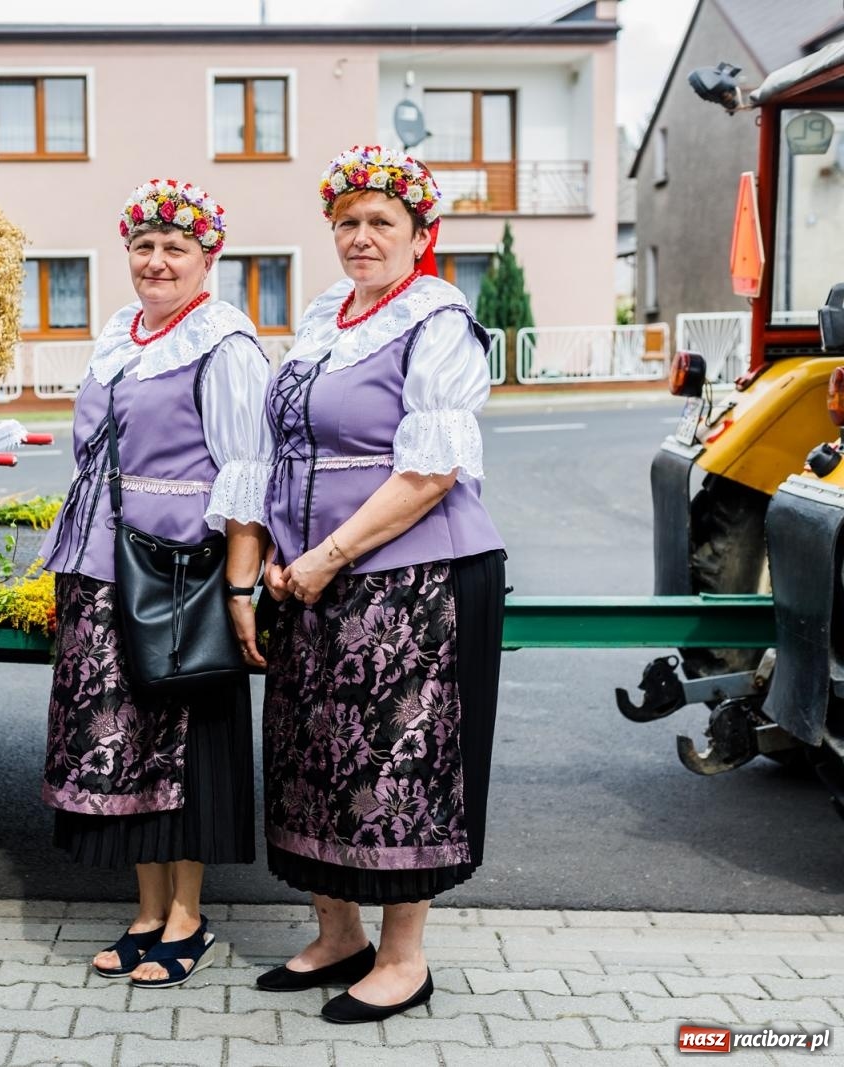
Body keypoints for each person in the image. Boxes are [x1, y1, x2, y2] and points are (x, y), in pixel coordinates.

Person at [251, 146, 506, 1023]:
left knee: (398, 764)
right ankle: (338, 935)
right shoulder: (327, 315)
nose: (361, 237)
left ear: (420, 232)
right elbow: (283, 446)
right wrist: (278, 550)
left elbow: (430, 471)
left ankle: (403, 959)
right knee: (312, 753)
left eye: (380, 222)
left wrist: (328, 555)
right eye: (347, 222)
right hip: (310, 575)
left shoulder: (438, 319)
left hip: (412, 576)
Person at [38, 179, 271, 989]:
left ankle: (188, 916)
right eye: (145, 246)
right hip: (101, 564)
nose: (158, 261)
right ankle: (146, 909)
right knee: (124, 744)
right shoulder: (121, 335)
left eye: (177, 247)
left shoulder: (224, 345)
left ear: (208, 257)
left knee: (181, 741)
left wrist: (240, 588)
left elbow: (247, 476)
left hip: (179, 569)